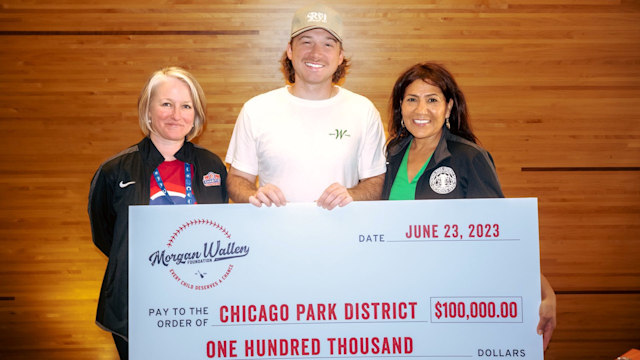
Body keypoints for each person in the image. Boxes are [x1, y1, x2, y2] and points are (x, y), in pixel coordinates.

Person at [382, 62, 557, 349]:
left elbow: (499, 233)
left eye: (433, 100)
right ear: (401, 107)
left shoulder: (469, 157)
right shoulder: (391, 154)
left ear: (449, 108)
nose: (421, 110)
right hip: (400, 292)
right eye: (411, 99)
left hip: (453, 295)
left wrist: (544, 290)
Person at [87, 67, 228, 359]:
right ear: (148, 111)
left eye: (186, 106)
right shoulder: (115, 170)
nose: (176, 114)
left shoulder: (212, 166)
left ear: (195, 115)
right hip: (135, 304)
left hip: (198, 301)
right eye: (166, 103)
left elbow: (220, 229)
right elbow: (108, 237)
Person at [225, 3, 386, 210]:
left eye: (328, 44)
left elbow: (376, 181)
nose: (316, 53)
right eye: (306, 42)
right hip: (273, 235)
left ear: (339, 57)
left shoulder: (363, 111)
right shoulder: (255, 110)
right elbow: (237, 179)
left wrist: (351, 194)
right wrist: (253, 194)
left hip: (342, 236)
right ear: (290, 50)